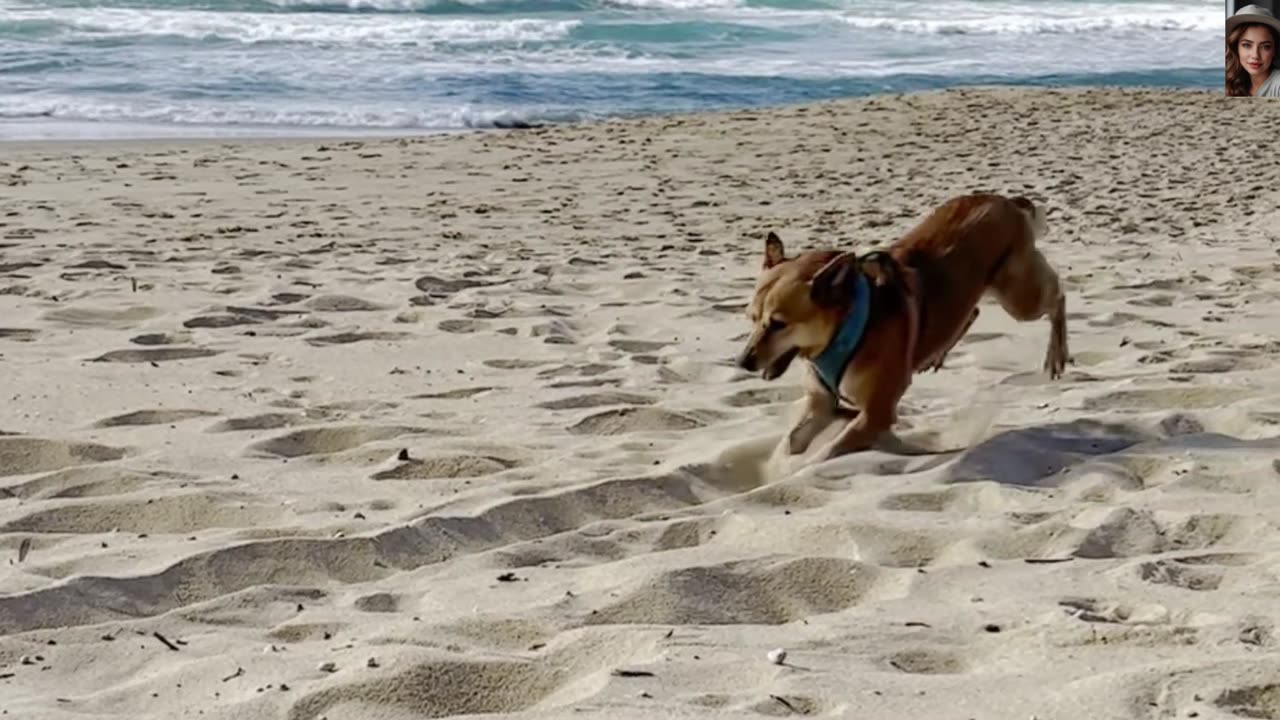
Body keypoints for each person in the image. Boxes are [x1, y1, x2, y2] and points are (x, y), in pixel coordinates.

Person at [1227, 4, 1280, 96]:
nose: (1255, 55)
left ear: (1274, 50)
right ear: (1236, 48)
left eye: (1265, 47)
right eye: (1247, 45)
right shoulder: (1230, 83)